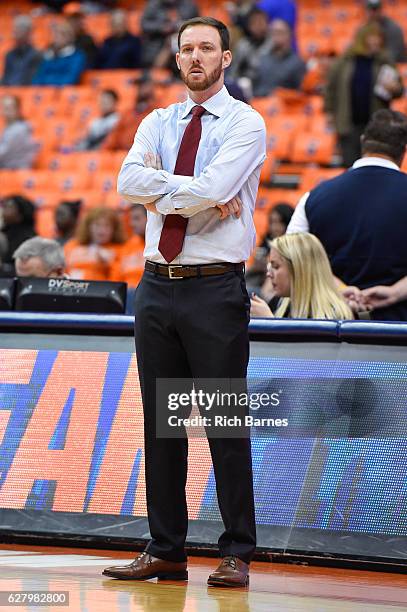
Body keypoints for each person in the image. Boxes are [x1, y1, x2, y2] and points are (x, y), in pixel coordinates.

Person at [102, 16, 266, 587]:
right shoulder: (156, 119)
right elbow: (125, 181)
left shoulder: (247, 123)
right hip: (155, 286)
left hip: (214, 288)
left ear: (225, 58)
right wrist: (189, 194)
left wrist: (162, 192)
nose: (196, 57)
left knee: (223, 424)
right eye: (187, 49)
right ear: (176, 60)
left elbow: (218, 189)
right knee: (160, 427)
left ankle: (237, 550)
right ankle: (166, 547)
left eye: (207, 49)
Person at [286, 109, 407, 321]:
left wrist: (338, 287)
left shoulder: (314, 197)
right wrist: (396, 291)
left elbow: (290, 258)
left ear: (363, 141)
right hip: (399, 332)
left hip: (331, 328)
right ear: (403, 151)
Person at [324, 23, 403, 167]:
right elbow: (331, 89)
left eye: (378, 38)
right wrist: (329, 112)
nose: (375, 42)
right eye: (372, 38)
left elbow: (399, 90)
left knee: (374, 166)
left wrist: (395, 88)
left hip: (375, 127)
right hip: (348, 124)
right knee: (349, 164)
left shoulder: (384, 61)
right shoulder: (344, 62)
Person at [250, 233, 353, 319]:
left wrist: (270, 324)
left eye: (276, 266)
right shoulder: (280, 304)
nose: (269, 274)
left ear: (299, 270)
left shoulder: (333, 315)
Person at [246, 203, 294, 296]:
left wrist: (269, 267)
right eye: (271, 222)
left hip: (273, 292)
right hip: (259, 283)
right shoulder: (267, 242)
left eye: (279, 222)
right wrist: (256, 266)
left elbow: (267, 292)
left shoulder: (289, 247)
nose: (274, 228)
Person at [64, 207, 125, 281]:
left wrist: (110, 263)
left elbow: (119, 280)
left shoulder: (120, 250)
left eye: (107, 226)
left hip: (99, 289)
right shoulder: (72, 245)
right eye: (97, 225)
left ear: (114, 229)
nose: (102, 230)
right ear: (88, 226)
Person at [251, 19, 306, 97]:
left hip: (283, 105)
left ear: (289, 35)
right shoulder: (262, 59)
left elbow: (299, 93)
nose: (276, 36)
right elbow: (255, 86)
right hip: (260, 103)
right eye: (273, 33)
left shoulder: (297, 63)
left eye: (280, 32)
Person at [102, 74, 156, 151]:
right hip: (123, 155)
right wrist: (104, 151)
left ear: (151, 87)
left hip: (145, 154)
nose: (140, 88)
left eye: (144, 85)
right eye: (139, 85)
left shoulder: (158, 112)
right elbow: (114, 135)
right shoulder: (128, 112)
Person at [140, 0, 199, 68]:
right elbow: (144, 25)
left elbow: (198, 25)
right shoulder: (153, 4)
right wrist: (162, 27)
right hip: (158, 42)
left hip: (184, 39)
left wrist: (184, 26)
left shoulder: (189, 5)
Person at [32, 20, 86, 86]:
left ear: (70, 37)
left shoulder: (77, 56)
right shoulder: (48, 55)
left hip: (65, 93)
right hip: (46, 92)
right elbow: (38, 78)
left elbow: (70, 79)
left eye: (62, 34)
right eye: (55, 34)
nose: (57, 37)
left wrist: (48, 82)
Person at [228, 8, 274, 85]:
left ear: (267, 24)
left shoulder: (273, 44)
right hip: (245, 84)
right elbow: (234, 70)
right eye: (254, 22)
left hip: (267, 84)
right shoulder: (243, 44)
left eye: (261, 22)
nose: (258, 26)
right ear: (249, 26)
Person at [111, 203, 146, 287]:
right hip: (127, 293)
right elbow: (115, 278)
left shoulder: (160, 246)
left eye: (137, 218)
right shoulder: (126, 247)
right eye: (131, 219)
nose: (132, 224)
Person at [1, 15, 41, 86]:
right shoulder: (9, 54)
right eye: (15, 29)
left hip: (25, 92)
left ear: (28, 32)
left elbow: (31, 79)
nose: (16, 33)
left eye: (20, 29)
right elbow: (6, 77)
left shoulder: (36, 55)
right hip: (7, 92)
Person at [0, 95, 37, 169]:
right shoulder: (10, 127)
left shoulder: (19, 129)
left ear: (18, 109)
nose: (6, 111)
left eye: (9, 108)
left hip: (15, 171)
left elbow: (3, 152)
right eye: (4, 108)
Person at [1, 195, 36, 270]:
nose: (3, 210)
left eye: (9, 207)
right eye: (4, 206)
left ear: (20, 214)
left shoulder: (28, 237)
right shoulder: (4, 231)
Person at [64, 2, 98, 67]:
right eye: (73, 19)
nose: (75, 22)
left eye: (78, 19)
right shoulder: (63, 40)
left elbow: (92, 62)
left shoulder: (87, 40)